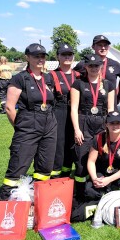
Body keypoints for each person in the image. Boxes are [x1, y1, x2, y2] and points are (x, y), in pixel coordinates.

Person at [0, 44, 57, 200]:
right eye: (36, 56)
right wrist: (21, 128)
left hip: (49, 125)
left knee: (44, 168)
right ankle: (5, 211)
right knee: (18, 168)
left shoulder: (48, 78)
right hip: (28, 124)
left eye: (43, 56)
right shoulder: (20, 78)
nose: (40, 59)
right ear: (27, 57)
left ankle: (38, 204)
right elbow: (10, 108)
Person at [70, 54, 116, 198]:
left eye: (96, 65)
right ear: (86, 67)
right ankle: (81, 192)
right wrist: (77, 129)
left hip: (102, 123)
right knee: (82, 159)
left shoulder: (109, 84)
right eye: (91, 65)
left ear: (101, 66)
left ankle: (100, 190)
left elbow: (110, 109)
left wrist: (110, 130)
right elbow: (74, 108)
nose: (94, 68)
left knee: (102, 157)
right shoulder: (78, 84)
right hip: (84, 122)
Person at [85, 111, 120, 199]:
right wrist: (94, 178)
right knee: (89, 191)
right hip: (103, 172)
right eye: (112, 123)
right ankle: (104, 198)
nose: (115, 126)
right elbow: (91, 161)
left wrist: (109, 179)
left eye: (118, 123)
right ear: (106, 124)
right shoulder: (98, 138)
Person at [49, 43, 81, 178]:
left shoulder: (79, 75)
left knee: (73, 146)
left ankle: (67, 177)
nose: (67, 57)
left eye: (70, 54)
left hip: (77, 112)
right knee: (59, 146)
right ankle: (56, 177)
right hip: (59, 112)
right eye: (64, 54)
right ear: (58, 56)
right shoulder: (51, 76)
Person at [73, 35, 120, 105]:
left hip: (110, 104)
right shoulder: (83, 64)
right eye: (100, 45)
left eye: (105, 45)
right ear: (93, 47)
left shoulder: (115, 64)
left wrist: (118, 94)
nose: (103, 48)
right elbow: (72, 77)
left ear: (108, 47)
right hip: (89, 104)